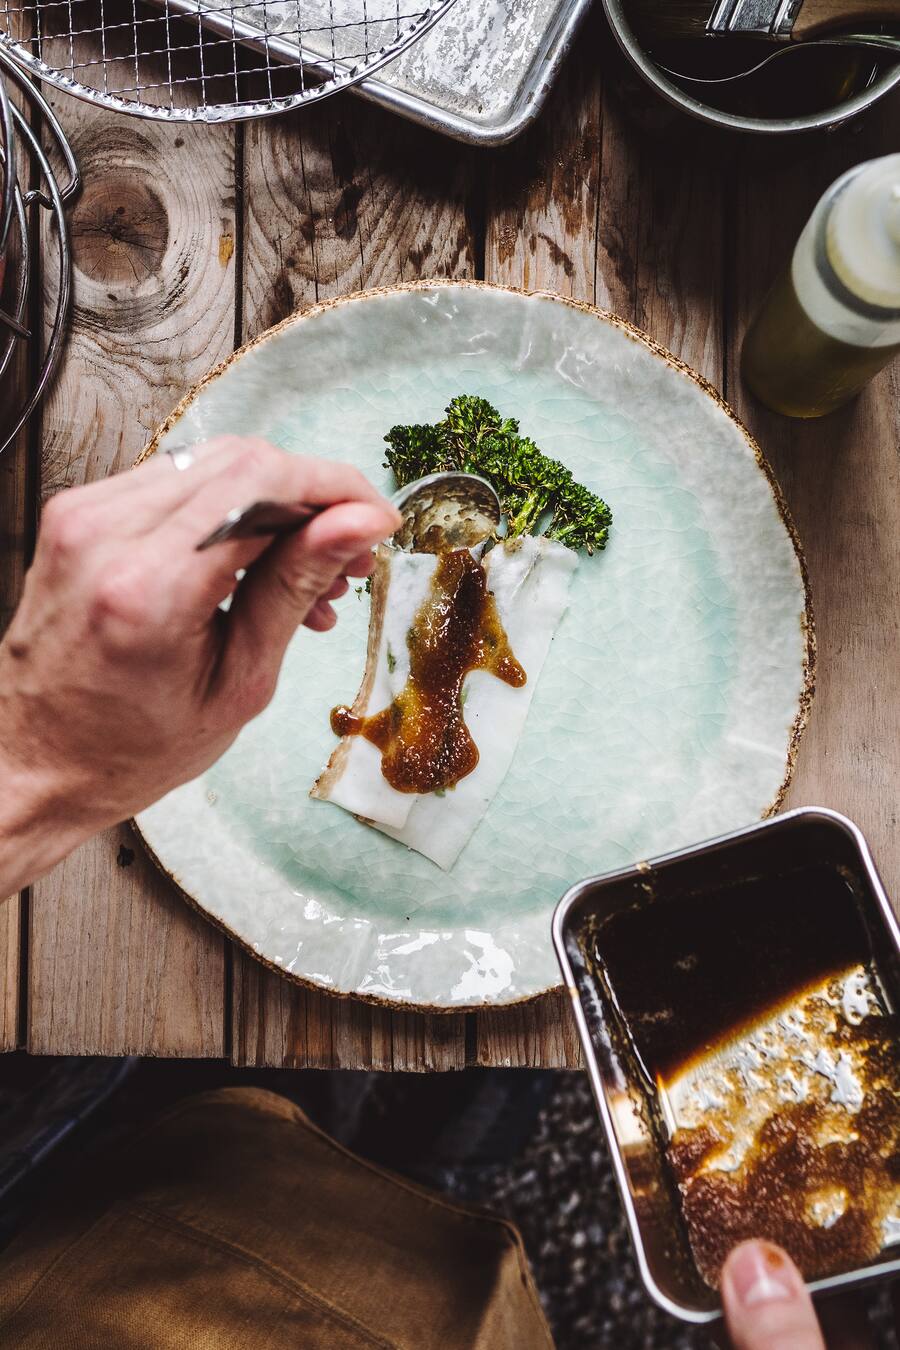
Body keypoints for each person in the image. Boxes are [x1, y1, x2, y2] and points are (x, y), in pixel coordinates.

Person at [0, 438, 882, 1348]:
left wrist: (36, 768)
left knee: (277, 1133)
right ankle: (409, 1140)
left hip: (126, 1257)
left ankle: (358, 1129)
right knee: (417, 1163)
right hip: (281, 1280)